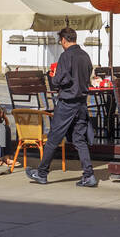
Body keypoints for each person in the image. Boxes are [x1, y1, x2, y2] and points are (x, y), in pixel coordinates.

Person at [27, 28, 96, 187]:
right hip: (81, 103)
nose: (60, 44)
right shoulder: (85, 56)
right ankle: (89, 174)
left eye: (61, 41)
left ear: (64, 40)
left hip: (67, 102)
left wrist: (53, 76)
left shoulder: (66, 56)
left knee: (53, 138)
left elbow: (59, 80)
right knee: (79, 139)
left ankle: (42, 173)